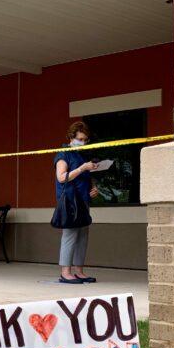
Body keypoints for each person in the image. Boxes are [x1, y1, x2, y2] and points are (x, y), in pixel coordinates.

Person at [54, 121, 100, 284]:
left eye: (85, 140)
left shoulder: (81, 156)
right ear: (71, 137)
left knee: (82, 236)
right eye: (80, 139)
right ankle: (65, 272)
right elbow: (62, 177)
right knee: (70, 234)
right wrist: (82, 168)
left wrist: (93, 188)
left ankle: (79, 271)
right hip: (69, 201)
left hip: (83, 200)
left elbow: (86, 179)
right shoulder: (63, 154)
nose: (83, 142)